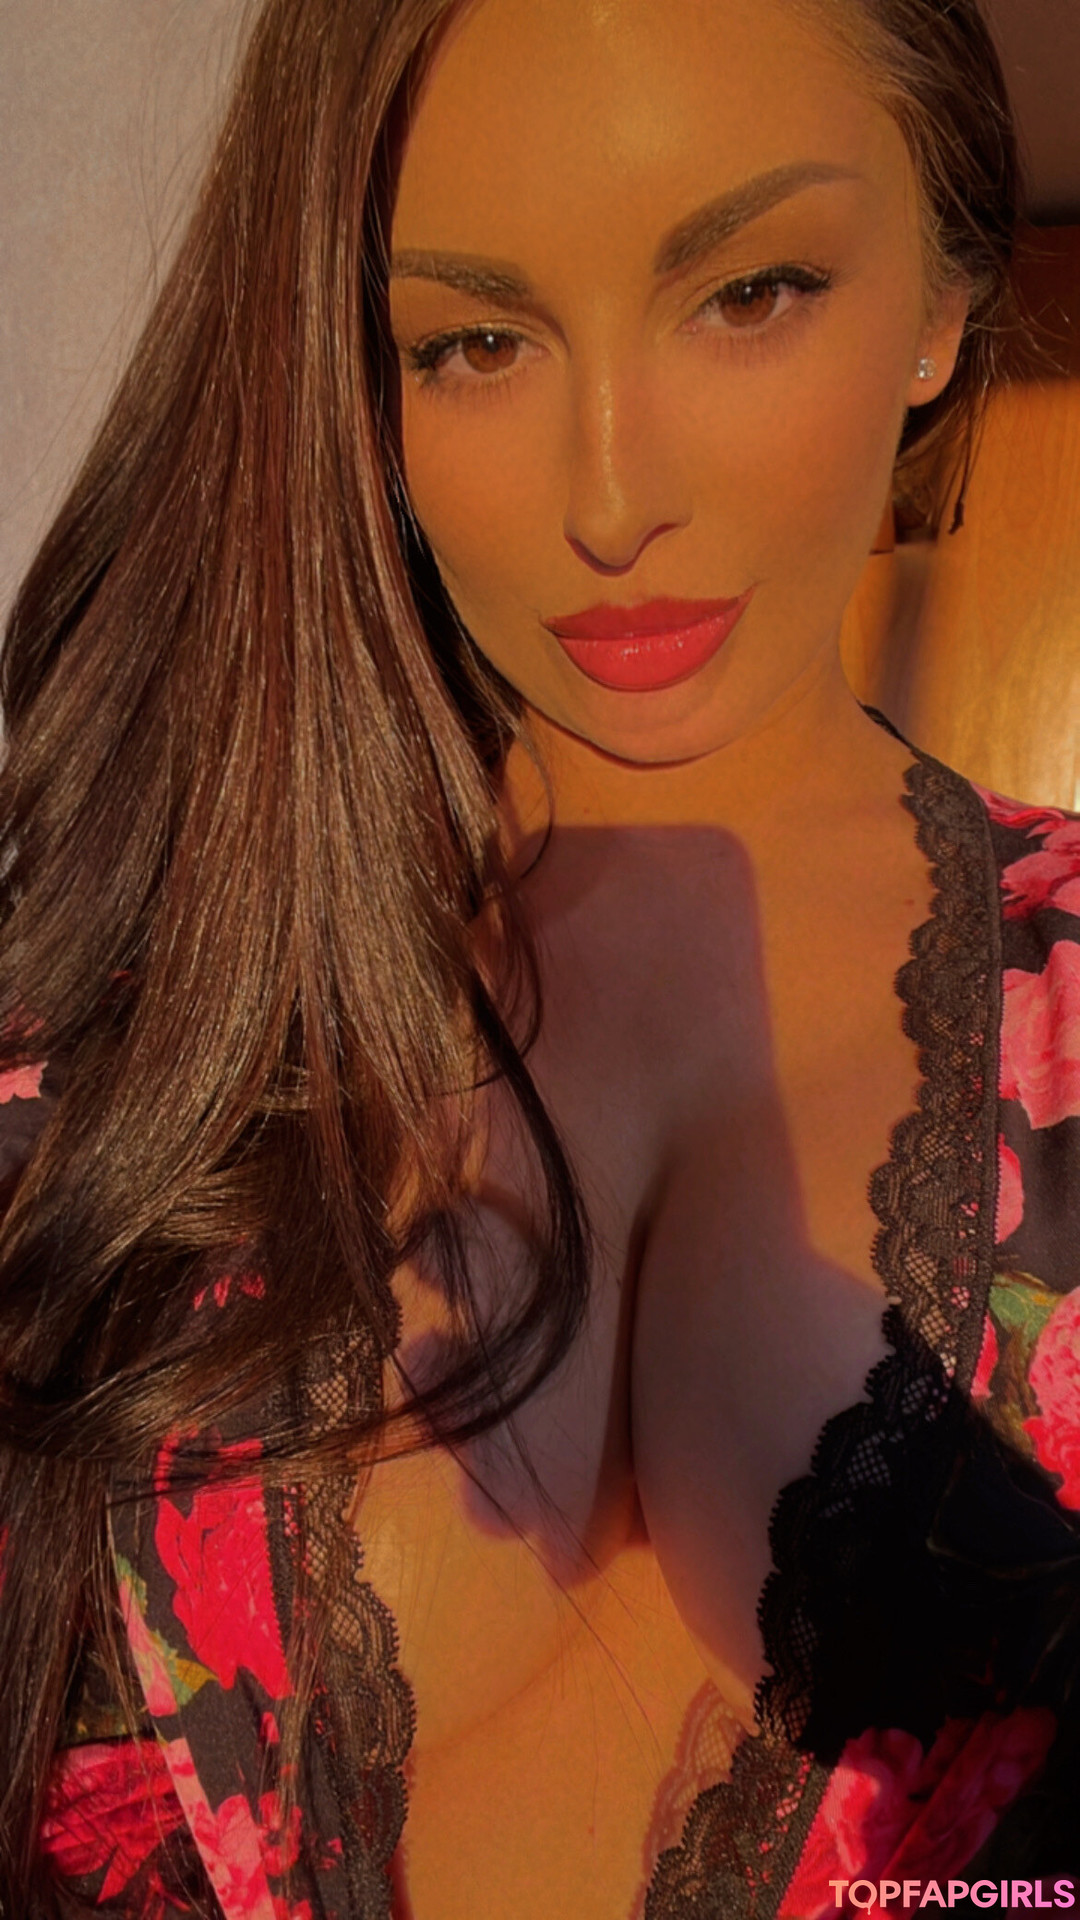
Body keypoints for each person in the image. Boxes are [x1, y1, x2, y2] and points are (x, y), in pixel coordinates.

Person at [1, 0, 1078, 1914]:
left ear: (942, 297)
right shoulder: (127, 1024)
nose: (608, 500)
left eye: (749, 293)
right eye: (474, 342)